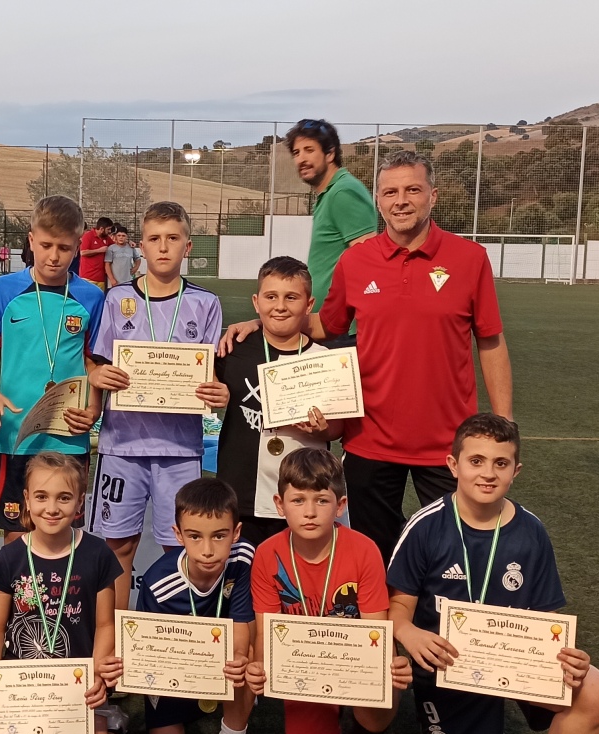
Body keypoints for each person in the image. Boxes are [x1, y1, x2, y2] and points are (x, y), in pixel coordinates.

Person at [220, 150, 513, 564]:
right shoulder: (356, 261)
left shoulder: (470, 259)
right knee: (378, 554)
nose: (401, 200)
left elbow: (490, 340)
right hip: (369, 438)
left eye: (413, 189)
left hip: (447, 439)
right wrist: (264, 319)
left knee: (455, 553)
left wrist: (504, 422)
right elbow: (327, 324)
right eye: (390, 191)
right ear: (378, 200)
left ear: (434, 195)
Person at [387, 414, 599, 734]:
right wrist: (410, 634)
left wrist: (570, 656)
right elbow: (397, 609)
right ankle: (429, 726)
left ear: (516, 470)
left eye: (501, 463)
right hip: (446, 669)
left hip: (515, 663)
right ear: (453, 465)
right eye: (476, 460)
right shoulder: (425, 526)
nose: (487, 473)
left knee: (595, 691)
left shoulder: (531, 532)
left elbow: (547, 621)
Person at [245, 449, 412, 734]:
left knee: (387, 675)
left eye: (321, 500)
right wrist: (259, 665)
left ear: (340, 506)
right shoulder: (267, 554)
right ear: (279, 503)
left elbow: (375, 631)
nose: (309, 511)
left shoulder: (363, 550)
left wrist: (388, 666)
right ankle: (328, 718)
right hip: (302, 672)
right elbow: (265, 628)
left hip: (352, 669)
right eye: (298, 500)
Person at [88, 200, 227, 611]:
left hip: (180, 450)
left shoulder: (206, 303)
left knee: (179, 546)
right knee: (118, 547)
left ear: (188, 246)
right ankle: (112, 643)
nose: (163, 247)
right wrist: (97, 377)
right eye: (154, 239)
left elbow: (211, 372)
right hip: (121, 447)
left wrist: (217, 390)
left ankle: (172, 643)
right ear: (140, 247)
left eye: (172, 238)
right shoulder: (116, 300)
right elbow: (97, 362)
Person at [0, 452, 125, 734]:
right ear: (26, 499)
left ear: (80, 502)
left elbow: (106, 625)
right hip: (26, 688)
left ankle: (112, 728)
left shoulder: (98, 554)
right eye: (41, 497)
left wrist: (99, 678)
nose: (52, 508)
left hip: (81, 688)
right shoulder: (10, 557)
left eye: (64, 497)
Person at [0, 195, 103, 543]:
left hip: (68, 434)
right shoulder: (4, 289)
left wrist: (94, 408)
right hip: (14, 433)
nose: (54, 255)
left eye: (64, 247)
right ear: (31, 240)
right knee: (16, 534)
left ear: (78, 246)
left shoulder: (90, 296)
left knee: (66, 533)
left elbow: (94, 362)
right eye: (45, 245)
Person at [135, 478, 258, 734]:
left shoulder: (242, 559)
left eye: (219, 536)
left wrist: (240, 657)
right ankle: (196, 705)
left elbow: (243, 621)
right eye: (194, 536)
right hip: (177, 671)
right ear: (178, 535)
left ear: (236, 532)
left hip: (224, 660)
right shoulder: (157, 584)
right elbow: (149, 653)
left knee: (247, 657)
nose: (207, 550)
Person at [215, 257, 341, 548]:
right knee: (242, 583)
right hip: (240, 495)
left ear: (309, 305)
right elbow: (204, 382)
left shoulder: (324, 360)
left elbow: (337, 429)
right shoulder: (233, 349)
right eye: (271, 297)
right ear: (257, 302)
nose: (280, 306)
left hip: (302, 499)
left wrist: (321, 430)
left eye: (291, 297)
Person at [286, 119, 377, 338]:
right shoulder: (329, 193)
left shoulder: (343, 192)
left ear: (329, 154)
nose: (302, 159)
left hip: (342, 330)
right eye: (297, 153)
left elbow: (368, 260)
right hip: (327, 325)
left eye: (309, 150)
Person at [78, 216, 114, 289]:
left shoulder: (106, 238)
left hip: (101, 278)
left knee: (99, 299)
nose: (110, 231)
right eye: (108, 229)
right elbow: (83, 252)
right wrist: (99, 250)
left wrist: (128, 242)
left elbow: (116, 246)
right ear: (101, 229)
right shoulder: (88, 236)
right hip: (87, 277)